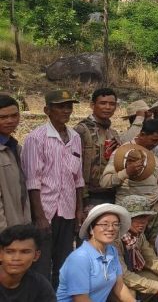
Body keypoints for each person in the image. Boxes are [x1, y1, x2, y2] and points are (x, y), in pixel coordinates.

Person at [21, 89, 84, 285]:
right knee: (40, 266)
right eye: (60, 107)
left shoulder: (75, 138)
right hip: (46, 211)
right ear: (47, 110)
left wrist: (79, 209)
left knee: (64, 264)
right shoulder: (36, 138)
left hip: (67, 210)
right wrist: (39, 217)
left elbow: (78, 179)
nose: (66, 111)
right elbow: (32, 181)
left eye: (69, 106)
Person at [100, 119, 158, 238]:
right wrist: (126, 172)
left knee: (150, 251)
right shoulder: (122, 153)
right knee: (130, 249)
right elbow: (105, 182)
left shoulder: (155, 154)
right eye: (153, 140)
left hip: (153, 214)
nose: (155, 144)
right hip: (131, 216)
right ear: (142, 135)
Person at [111, 196, 158, 302]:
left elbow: (152, 260)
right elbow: (124, 276)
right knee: (130, 293)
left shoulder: (139, 235)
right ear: (125, 219)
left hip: (129, 275)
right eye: (137, 218)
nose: (142, 222)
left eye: (145, 217)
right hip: (113, 283)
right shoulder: (114, 239)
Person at [56, 203, 131, 302]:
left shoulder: (112, 251)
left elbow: (119, 286)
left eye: (116, 224)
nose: (111, 228)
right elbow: (81, 299)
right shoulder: (80, 258)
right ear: (91, 229)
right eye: (105, 224)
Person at [75, 88, 121, 208]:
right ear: (92, 105)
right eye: (103, 103)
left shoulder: (113, 133)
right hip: (89, 195)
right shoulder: (82, 130)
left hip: (111, 192)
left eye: (112, 104)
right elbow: (75, 166)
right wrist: (81, 198)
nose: (107, 107)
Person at [0, 224, 55, 302]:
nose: (16, 258)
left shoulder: (40, 286)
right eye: (9, 252)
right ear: (1, 254)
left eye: (25, 252)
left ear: (36, 256)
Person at [0, 95, 28, 231]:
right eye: (3, 117)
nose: (10, 121)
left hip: (18, 226)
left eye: (14, 115)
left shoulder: (15, 147)